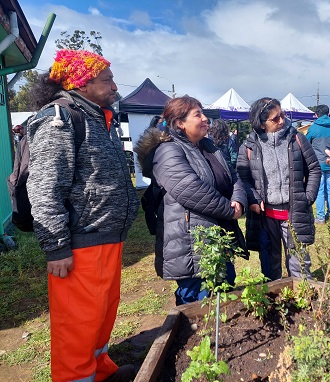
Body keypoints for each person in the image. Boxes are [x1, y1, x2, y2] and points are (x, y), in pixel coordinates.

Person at [26, 50, 139, 382]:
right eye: (108, 80)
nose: (115, 85)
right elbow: (46, 187)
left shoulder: (97, 116)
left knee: (101, 316)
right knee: (77, 326)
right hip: (79, 246)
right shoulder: (59, 118)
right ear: (82, 83)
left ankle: (100, 371)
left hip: (105, 237)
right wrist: (56, 248)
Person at [134, 96, 247, 305]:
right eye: (198, 114)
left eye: (203, 113)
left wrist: (239, 200)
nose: (206, 119)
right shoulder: (167, 150)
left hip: (218, 233)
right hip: (191, 240)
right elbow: (192, 190)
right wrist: (230, 210)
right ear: (179, 123)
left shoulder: (209, 146)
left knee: (224, 288)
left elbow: (234, 178)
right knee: (196, 299)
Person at [237, 97, 321, 281]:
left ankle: (303, 299)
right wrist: (252, 199)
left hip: (294, 213)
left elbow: (314, 168)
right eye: (275, 118)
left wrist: (307, 197)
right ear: (261, 123)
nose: (282, 120)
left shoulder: (296, 138)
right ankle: (275, 302)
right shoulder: (249, 146)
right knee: (270, 264)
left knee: (299, 263)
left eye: (282, 115)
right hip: (265, 218)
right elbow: (243, 178)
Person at [305, 104, 330, 223]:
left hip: (317, 164)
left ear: (316, 115)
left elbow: (306, 144)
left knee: (319, 190)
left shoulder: (313, 128)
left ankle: (320, 217)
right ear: (328, 114)